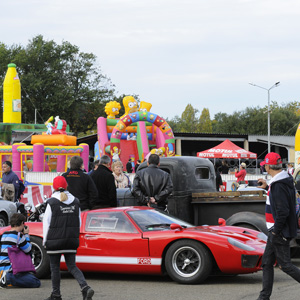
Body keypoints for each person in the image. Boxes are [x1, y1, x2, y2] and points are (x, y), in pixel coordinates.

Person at [256, 152, 300, 300]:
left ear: (268, 167)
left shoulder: (279, 185)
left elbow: (283, 211)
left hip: (278, 231)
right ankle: (264, 297)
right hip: (274, 230)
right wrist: (267, 186)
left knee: (285, 265)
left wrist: (276, 231)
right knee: (267, 263)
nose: (265, 168)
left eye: (265, 166)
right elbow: (280, 201)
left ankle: (264, 296)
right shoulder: (281, 181)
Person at [43, 176, 94, 300]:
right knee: (72, 266)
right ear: (66, 186)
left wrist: (45, 241)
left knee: (55, 268)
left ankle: (56, 295)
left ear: (53, 187)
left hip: (54, 241)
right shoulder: (75, 201)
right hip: (71, 240)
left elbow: (46, 223)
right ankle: (85, 287)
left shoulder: (51, 202)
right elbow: (79, 222)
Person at [0, 213, 41, 288]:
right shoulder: (18, 235)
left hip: (1, 268)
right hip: (10, 271)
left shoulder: (4, 234)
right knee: (36, 282)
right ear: (22, 223)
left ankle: (4, 278)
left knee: (27, 277)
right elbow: (28, 250)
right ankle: (7, 279)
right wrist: (26, 235)